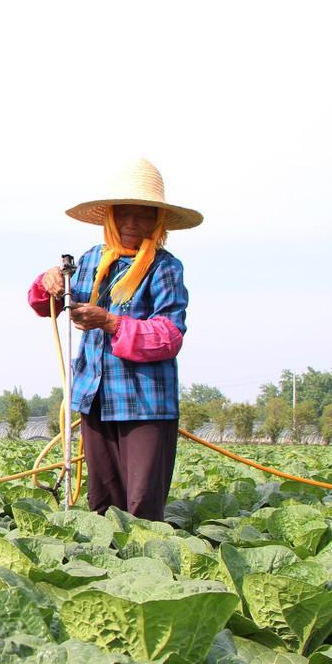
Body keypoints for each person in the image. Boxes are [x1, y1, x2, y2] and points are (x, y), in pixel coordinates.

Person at [28, 158, 201, 521]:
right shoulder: (90, 261)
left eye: (142, 215)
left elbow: (169, 336)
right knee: (103, 503)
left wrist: (109, 322)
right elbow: (45, 304)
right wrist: (49, 281)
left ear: (157, 221)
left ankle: (145, 569)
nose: (131, 223)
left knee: (141, 506)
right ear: (110, 217)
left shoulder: (165, 267)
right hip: (95, 398)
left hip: (146, 403)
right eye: (123, 213)